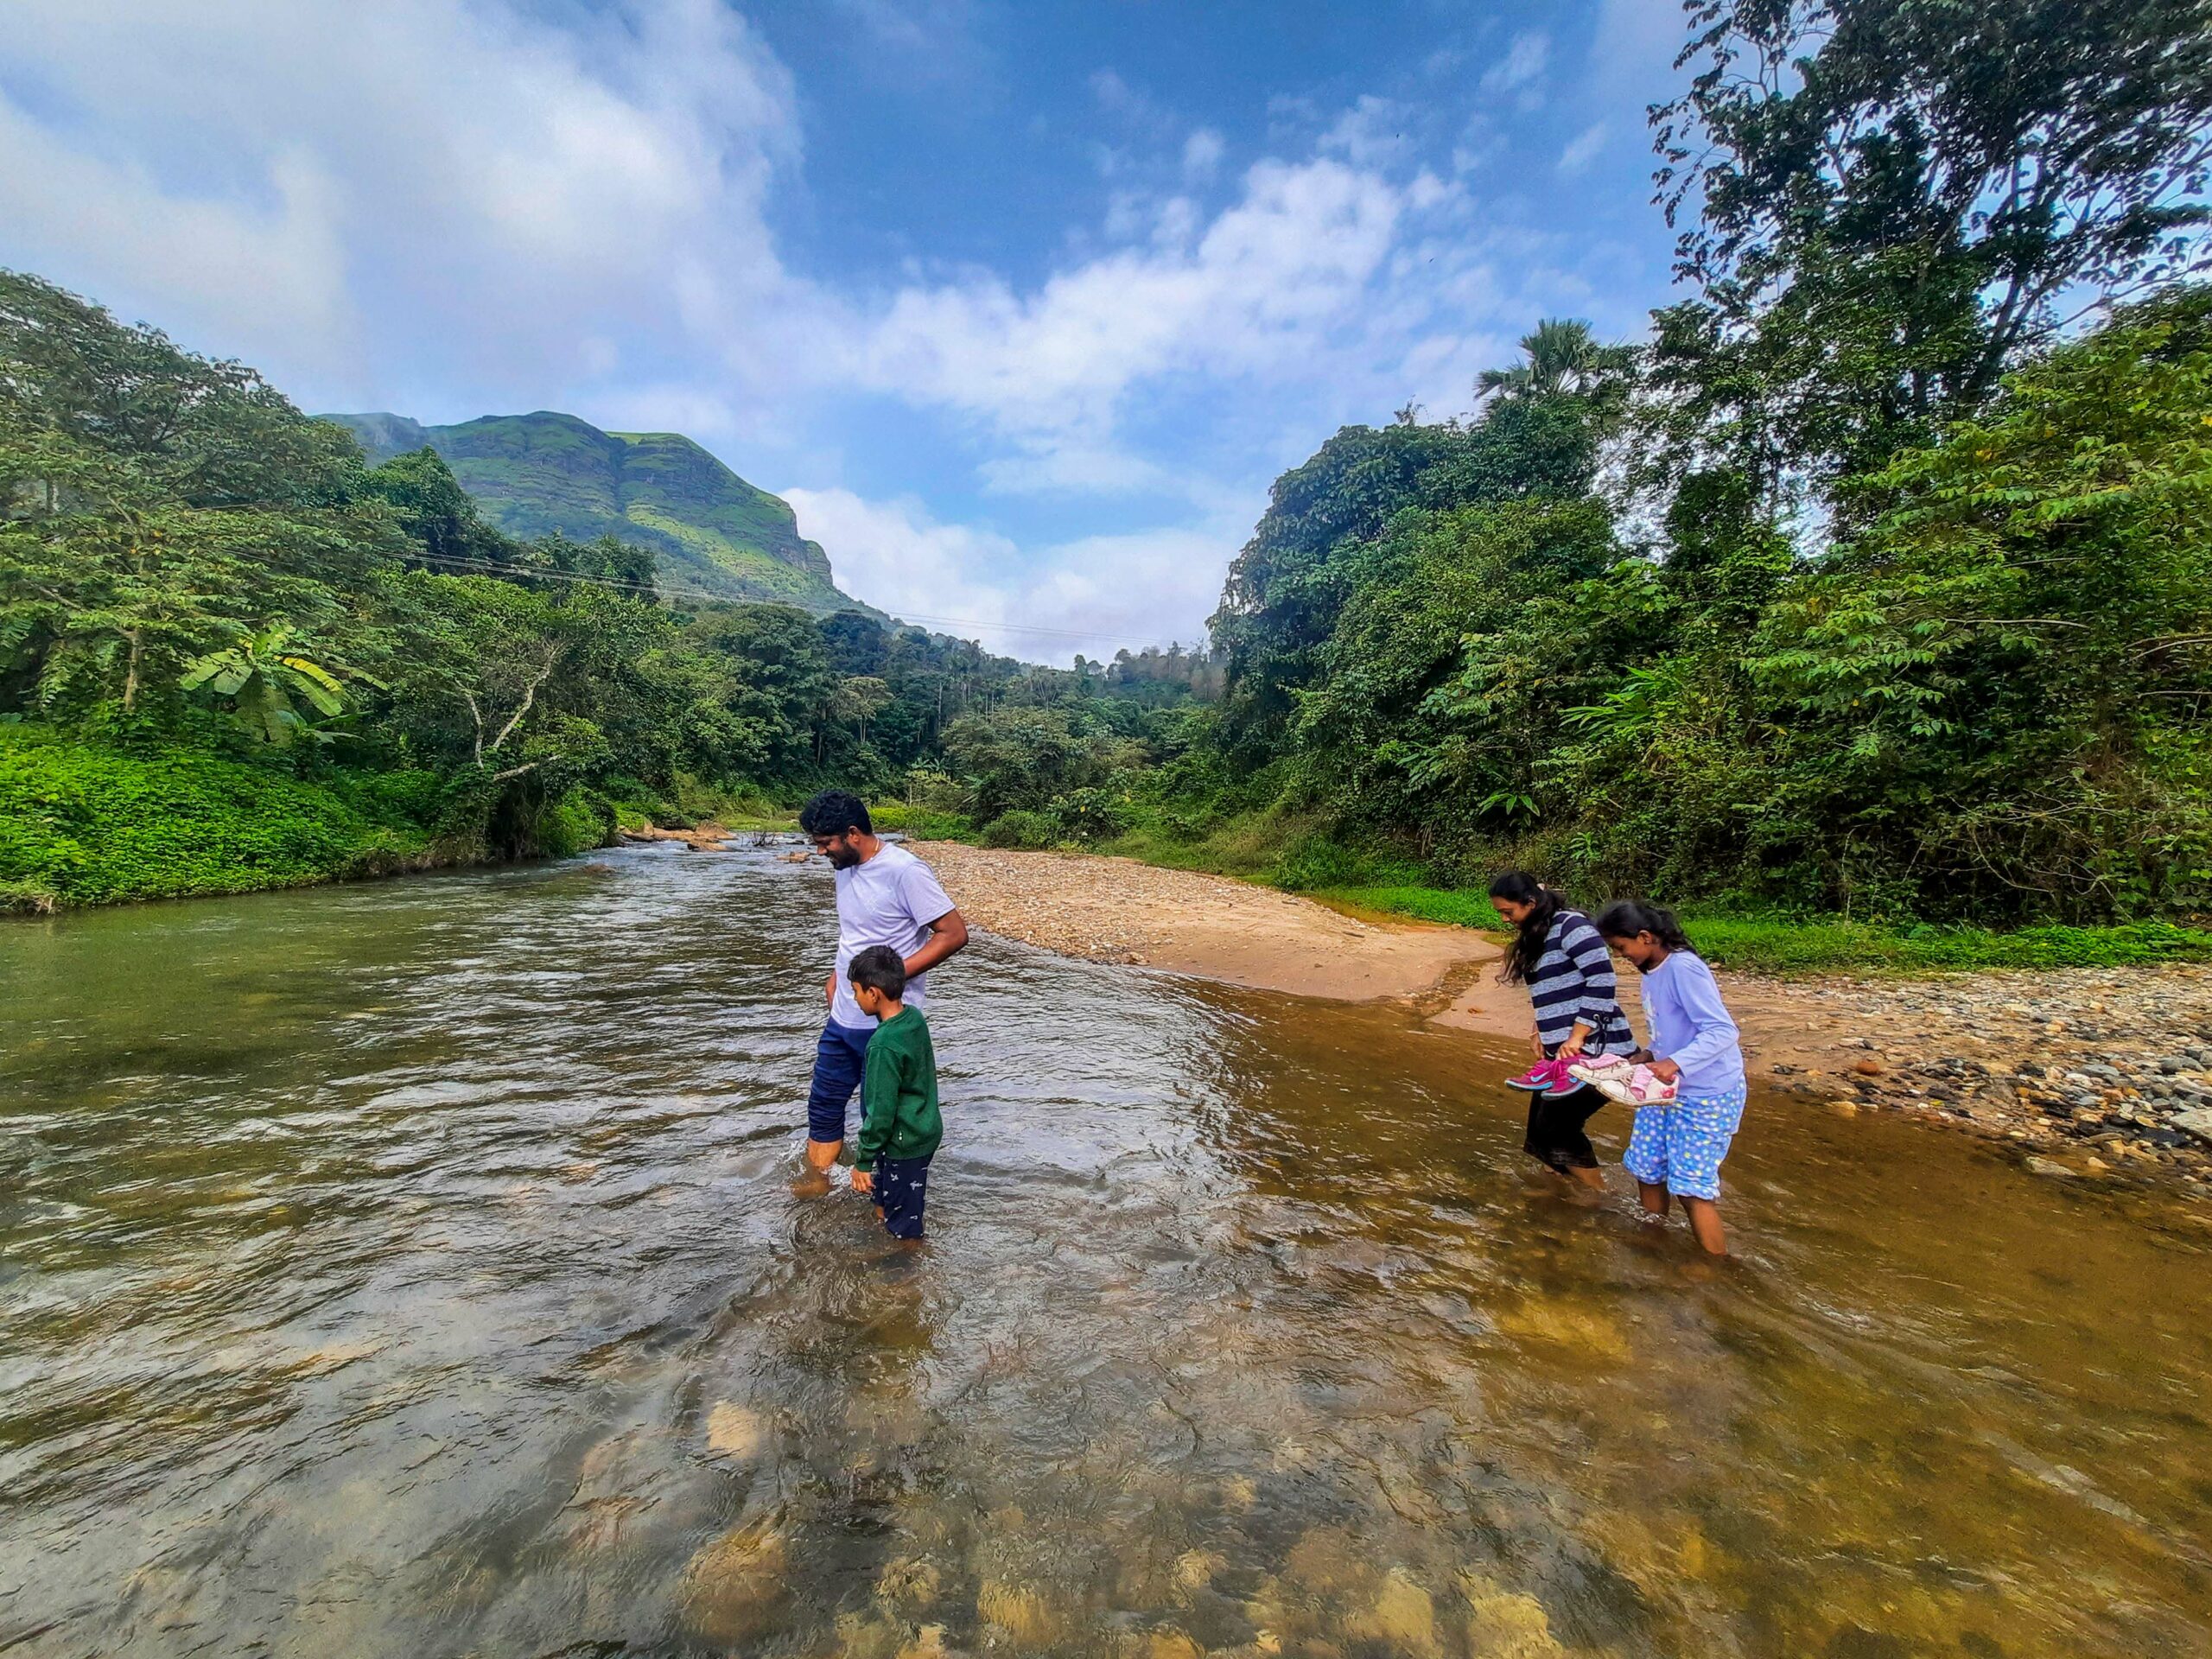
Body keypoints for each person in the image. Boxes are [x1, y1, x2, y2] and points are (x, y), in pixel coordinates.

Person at [796, 791, 966, 1189]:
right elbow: (858, 931)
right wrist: (838, 976)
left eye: (826, 844)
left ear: (853, 833)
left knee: (881, 1116)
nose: (821, 853)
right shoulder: (845, 866)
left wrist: (887, 979)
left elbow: (953, 934)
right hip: (842, 1016)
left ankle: (886, 1209)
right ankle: (815, 1189)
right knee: (824, 1105)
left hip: (884, 1024)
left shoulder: (905, 871)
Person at [1594, 900, 1747, 1256]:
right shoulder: (1653, 970)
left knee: (1692, 1187)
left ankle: (1714, 1270)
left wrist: (1675, 1063)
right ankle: (1654, 1243)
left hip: (1706, 1093)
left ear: (1645, 937)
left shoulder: (1684, 969)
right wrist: (1648, 1055)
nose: (1621, 956)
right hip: (1663, 1089)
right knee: (1646, 1168)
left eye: (1621, 947)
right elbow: (1671, 1029)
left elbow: (1723, 1031)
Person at [1486, 872, 1637, 1190]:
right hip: (1562, 1055)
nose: (1503, 919)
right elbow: (1551, 992)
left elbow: (1602, 980)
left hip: (1599, 1052)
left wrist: (1578, 1035)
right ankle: (1558, 1197)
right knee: (1539, 1134)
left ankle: (1597, 1197)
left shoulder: (1572, 926)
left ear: (1530, 903)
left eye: (1508, 912)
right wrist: (1540, 1030)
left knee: (1557, 1128)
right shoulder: (1538, 933)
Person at [845, 944, 942, 1241]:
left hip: (904, 1139)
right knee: (887, 1199)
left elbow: (880, 1111)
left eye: (856, 991)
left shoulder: (882, 1046)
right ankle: (884, 1230)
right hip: (922, 1127)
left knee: (905, 1225)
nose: (855, 998)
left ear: (873, 993)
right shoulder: (912, 1018)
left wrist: (862, 1162)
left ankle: (907, 1274)